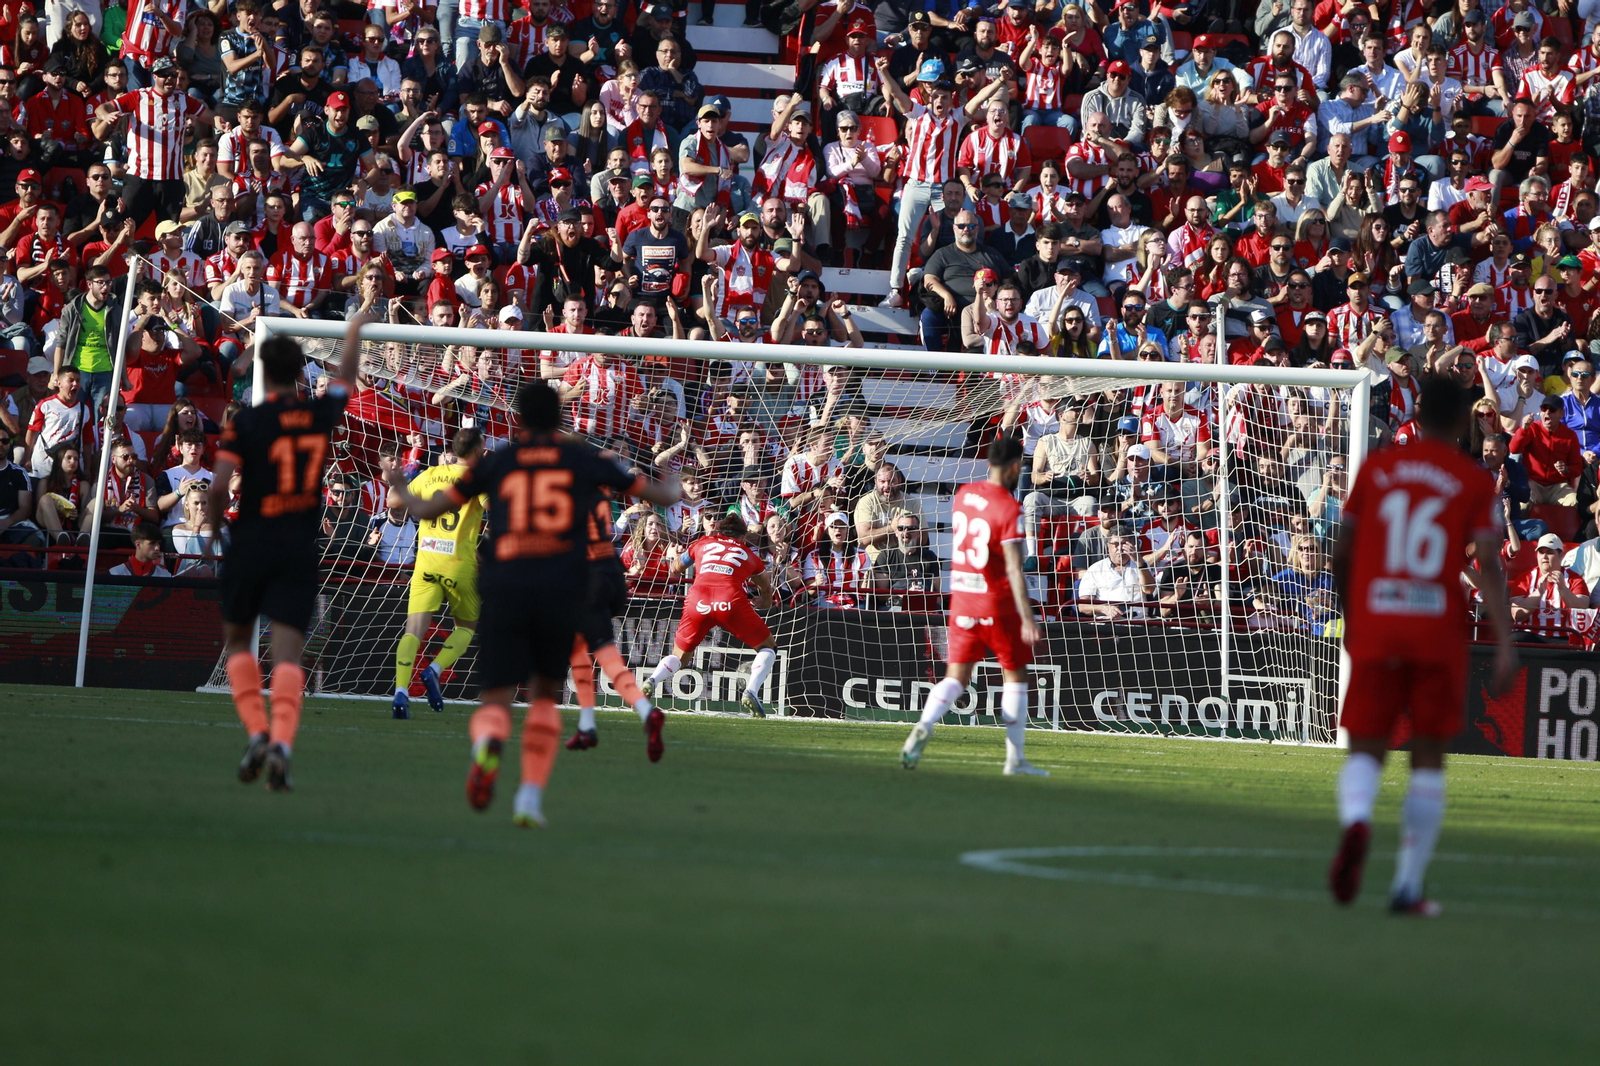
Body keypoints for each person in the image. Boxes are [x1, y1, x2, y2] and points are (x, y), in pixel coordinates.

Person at [388, 380, 680, 828]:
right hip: (559, 585)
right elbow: (663, 497)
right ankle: (528, 797)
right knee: (544, 694)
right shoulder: (582, 460)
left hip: (507, 584)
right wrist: (674, 478)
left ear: (520, 418)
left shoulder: (499, 461)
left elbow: (428, 511)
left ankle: (487, 750)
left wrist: (398, 485)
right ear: (559, 417)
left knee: (497, 694)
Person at [1328, 376, 1517, 916]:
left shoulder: (1378, 470)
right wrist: (1504, 640)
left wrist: (1353, 610)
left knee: (1366, 743)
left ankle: (1358, 821)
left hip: (1379, 620)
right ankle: (1408, 887)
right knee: (1428, 757)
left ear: (1416, 412)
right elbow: (1488, 563)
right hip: (1437, 629)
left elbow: (1343, 551)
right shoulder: (1471, 480)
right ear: (1462, 420)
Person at [207, 315, 368, 793]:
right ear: (301, 373)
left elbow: (218, 487)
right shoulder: (320, 414)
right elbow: (344, 378)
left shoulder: (247, 421)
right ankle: (282, 742)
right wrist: (355, 328)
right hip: (298, 546)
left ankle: (256, 730)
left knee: (239, 644)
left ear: (262, 369)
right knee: (288, 655)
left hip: (252, 540)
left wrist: (218, 533)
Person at [900, 434, 1045, 777]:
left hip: (961, 597)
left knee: (956, 677)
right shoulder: (1009, 507)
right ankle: (1015, 760)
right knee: (1015, 676)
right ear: (1013, 467)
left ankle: (925, 722)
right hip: (995, 602)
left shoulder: (964, 494)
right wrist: (1027, 618)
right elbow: (1012, 566)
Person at [641, 510, 778, 718]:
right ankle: (751, 692)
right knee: (767, 646)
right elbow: (765, 588)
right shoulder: (749, 555)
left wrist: (676, 557)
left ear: (718, 531)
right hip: (730, 601)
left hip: (698, 600)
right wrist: (765, 603)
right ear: (742, 537)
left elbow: (676, 569)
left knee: (680, 657)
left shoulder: (702, 543)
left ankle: (652, 680)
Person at [564, 483, 665, 757]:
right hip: (612, 581)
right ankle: (640, 713)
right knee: (602, 654)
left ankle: (587, 723)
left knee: (579, 653)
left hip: (591, 585)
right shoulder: (597, 518)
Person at [391, 427, 485, 719]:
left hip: (426, 561)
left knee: (412, 632)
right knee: (467, 627)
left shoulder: (431, 474)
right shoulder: (476, 480)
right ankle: (434, 669)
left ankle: (400, 692)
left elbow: (393, 501)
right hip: (459, 564)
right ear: (478, 451)